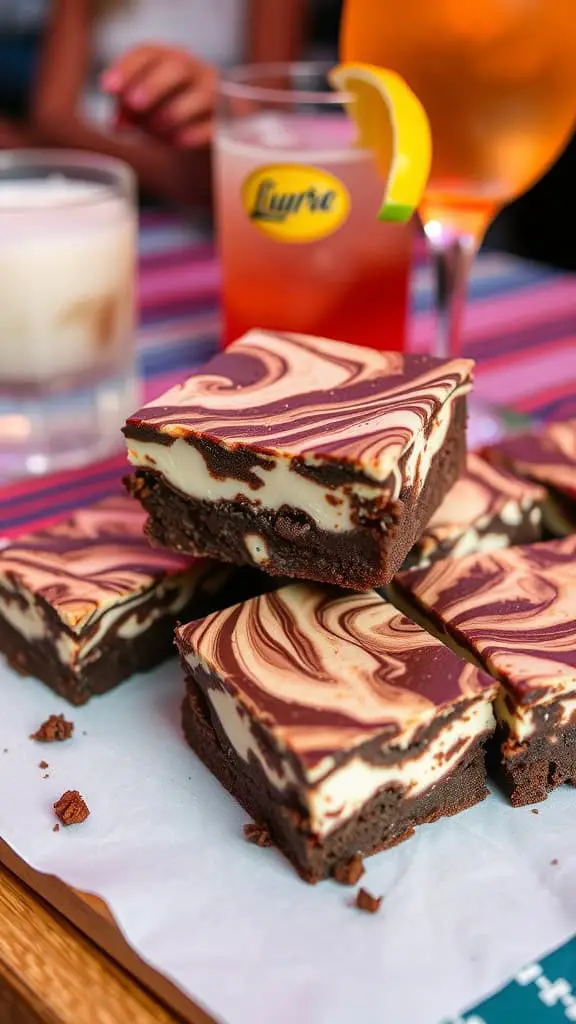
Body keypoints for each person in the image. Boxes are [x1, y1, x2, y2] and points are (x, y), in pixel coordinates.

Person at [31, 0, 307, 205]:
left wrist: (199, 175)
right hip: (104, 192)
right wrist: (180, 176)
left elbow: (272, 121)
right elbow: (53, 117)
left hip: (222, 190)